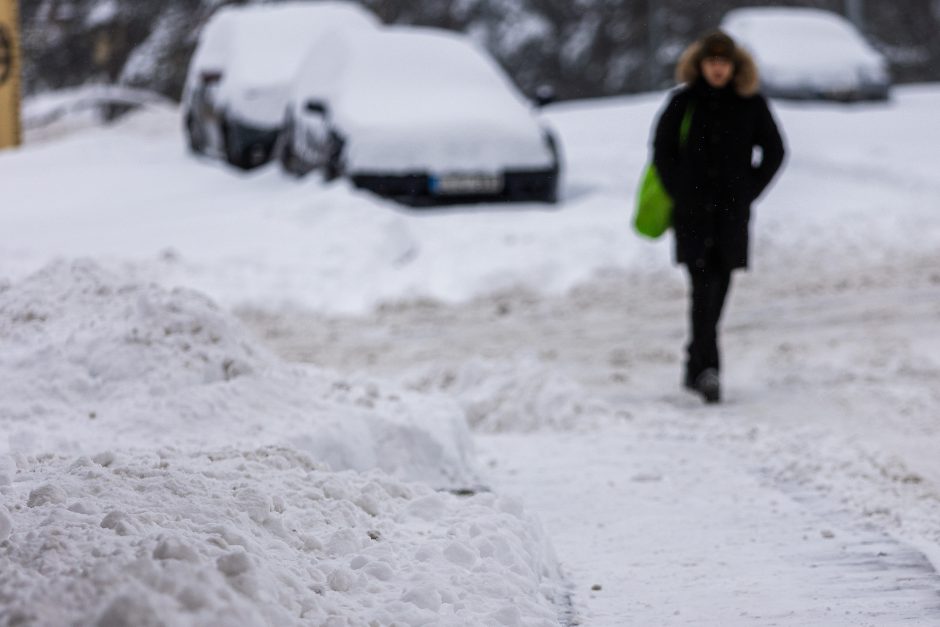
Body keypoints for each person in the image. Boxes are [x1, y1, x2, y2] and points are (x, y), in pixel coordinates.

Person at [652, 30, 785, 403]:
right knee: (702, 291)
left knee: (719, 290)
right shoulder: (683, 103)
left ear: (733, 67)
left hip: (730, 216)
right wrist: (679, 189)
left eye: (723, 63)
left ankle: (695, 364)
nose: (717, 69)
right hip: (692, 214)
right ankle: (709, 371)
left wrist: (749, 191)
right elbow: (661, 150)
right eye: (711, 62)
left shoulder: (750, 103)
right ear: (700, 65)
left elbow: (775, 152)